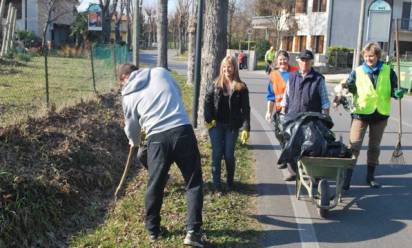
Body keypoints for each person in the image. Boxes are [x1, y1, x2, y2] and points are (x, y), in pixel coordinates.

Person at [118, 64, 205, 247]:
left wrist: (133, 141)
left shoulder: (128, 96)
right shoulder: (160, 72)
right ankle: (193, 232)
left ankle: (153, 230)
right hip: (182, 130)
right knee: (193, 183)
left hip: (157, 138)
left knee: (155, 184)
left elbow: (132, 128)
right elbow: (178, 92)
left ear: (124, 77)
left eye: (121, 82)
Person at [341, 42, 404, 190]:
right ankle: (346, 179)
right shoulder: (358, 71)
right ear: (364, 56)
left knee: (374, 147)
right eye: (367, 56)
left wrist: (397, 93)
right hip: (360, 113)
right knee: (354, 145)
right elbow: (351, 87)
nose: (369, 58)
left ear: (377, 56)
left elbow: (394, 88)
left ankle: (370, 177)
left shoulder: (388, 70)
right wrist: (347, 86)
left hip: (380, 114)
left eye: (372, 56)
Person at [280, 49, 330, 181]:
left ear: (311, 62)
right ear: (298, 61)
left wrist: (326, 118)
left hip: (311, 119)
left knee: (312, 144)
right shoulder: (292, 77)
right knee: (290, 143)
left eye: (307, 60)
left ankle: (313, 172)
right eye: (302, 60)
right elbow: (286, 96)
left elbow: (325, 101)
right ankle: (292, 171)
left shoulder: (318, 79)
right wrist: (282, 113)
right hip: (293, 116)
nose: (305, 63)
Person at [204, 55, 251, 192]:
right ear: (221, 68)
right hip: (216, 126)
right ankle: (216, 185)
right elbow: (207, 103)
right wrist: (209, 119)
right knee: (217, 154)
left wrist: (245, 128)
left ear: (235, 68)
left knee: (229, 154)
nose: (227, 69)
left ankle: (230, 181)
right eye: (224, 67)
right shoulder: (214, 84)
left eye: (229, 66)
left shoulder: (241, 87)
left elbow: (246, 109)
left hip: (232, 126)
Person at [265, 50, 298, 169]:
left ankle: (290, 162)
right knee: (281, 135)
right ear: (277, 61)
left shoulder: (295, 72)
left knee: (292, 136)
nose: (283, 61)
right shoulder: (273, 75)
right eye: (280, 59)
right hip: (280, 110)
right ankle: (286, 158)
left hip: (293, 109)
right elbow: (271, 95)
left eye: (284, 59)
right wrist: (269, 111)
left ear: (288, 60)